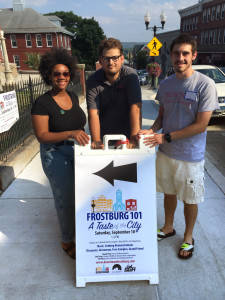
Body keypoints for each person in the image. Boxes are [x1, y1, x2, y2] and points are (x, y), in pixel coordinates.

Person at [137, 33, 219, 259]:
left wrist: (165, 137)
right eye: (176, 53)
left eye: (185, 53)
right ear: (171, 56)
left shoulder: (205, 84)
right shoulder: (166, 84)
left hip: (189, 156)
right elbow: (162, 117)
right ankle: (168, 227)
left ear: (193, 55)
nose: (180, 58)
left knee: (190, 198)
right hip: (166, 153)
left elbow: (201, 125)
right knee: (169, 193)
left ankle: (188, 237)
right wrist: (152, 131)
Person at [31, 47, 90, 259]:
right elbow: (42, 136)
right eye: (57, 74)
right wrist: (70, 133)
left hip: (78, 153)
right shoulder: (42, 103)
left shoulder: (72, 96)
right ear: (48, 75)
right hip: (55, 154)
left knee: (82, 194)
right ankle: (67, 240)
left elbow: (78, 124)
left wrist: (83, 138)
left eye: (65, 73)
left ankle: (81, 230)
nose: (62, 77)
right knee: (65, 198)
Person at [86, 37, 142, 149]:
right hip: (104, 137)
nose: (111, 62)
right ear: (100, 60)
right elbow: (93, 113)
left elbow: (135, 108)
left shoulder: (130, 76)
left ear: (122, 58)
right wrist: (96, 140)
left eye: (115, 58)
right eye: (106, 58)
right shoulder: (93, 80)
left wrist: (133, 137)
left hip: (127, 137)